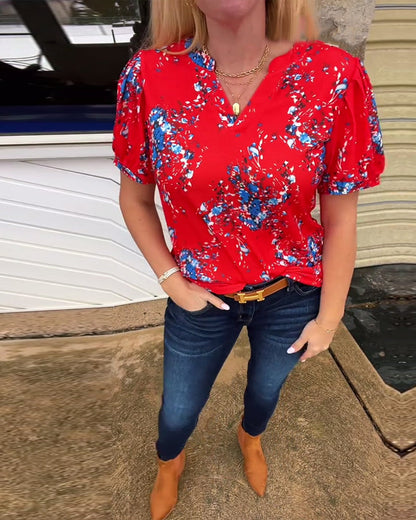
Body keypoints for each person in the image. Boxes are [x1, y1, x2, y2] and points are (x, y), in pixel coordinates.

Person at [112, 1, 386, 518]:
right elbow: (135, 199)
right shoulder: (149, 75)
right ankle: (170, 461)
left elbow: (340, 219)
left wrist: (329, 319)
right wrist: (172, 281)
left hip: (292, 296)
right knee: (178, 412)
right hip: (200, 296)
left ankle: (250, 437)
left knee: (264, 395)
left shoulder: (333, 75)